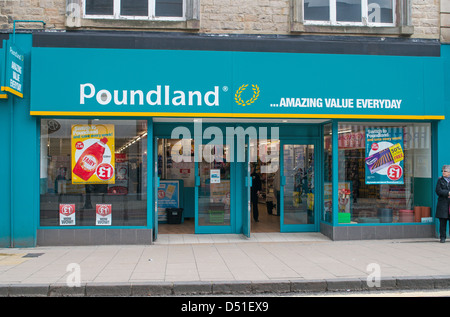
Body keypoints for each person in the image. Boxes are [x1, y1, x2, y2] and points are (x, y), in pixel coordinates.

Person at [435, 165, 450, 243]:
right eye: (443, 171)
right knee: (443, 221)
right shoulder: (440, 180)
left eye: (445, 171)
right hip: (443, 203)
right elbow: (438, 191)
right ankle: (442, 237)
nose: (443, 172)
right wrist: (448, 193)